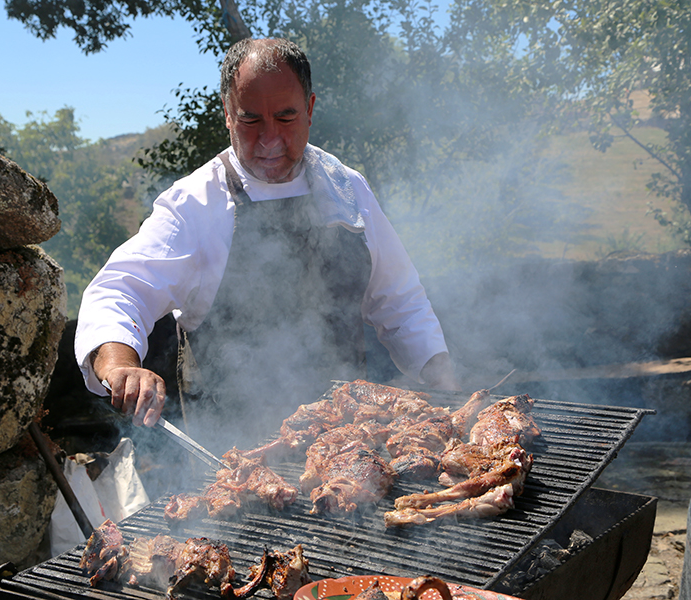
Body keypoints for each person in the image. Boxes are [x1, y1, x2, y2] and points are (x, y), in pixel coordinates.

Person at [75, 37, 459, 453]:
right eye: (251, 120)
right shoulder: (196, 204)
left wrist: (444, 382)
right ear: (226, 115)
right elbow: (119, 289)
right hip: (233, 452)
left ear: (310, 109)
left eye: (286, 117)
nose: (270, 139)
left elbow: (399, 299)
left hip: (347, 444)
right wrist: (120, 365)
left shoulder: (346, 188)